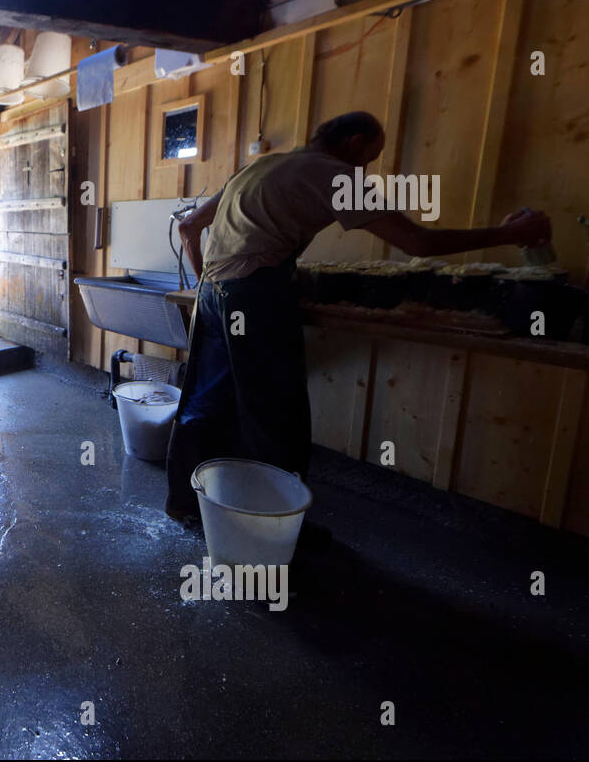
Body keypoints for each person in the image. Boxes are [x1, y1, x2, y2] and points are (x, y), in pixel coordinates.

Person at [164, 111, 552, 522]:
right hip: (255, 295)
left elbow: (190, 226)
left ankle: (185, 503)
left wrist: (201, 282)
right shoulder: (335, 174)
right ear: (352, 143)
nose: (366, 168)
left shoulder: (262, 165)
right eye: (369, 156)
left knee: (205, 402)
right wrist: (509, 234)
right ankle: (273, 531)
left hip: (213, 291)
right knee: (276, 418)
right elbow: (419, 242)